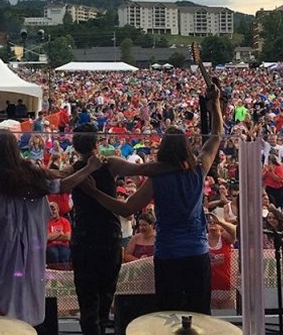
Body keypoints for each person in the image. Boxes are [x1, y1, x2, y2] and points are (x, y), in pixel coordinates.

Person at [79, 91, 223, 314]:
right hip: (197, 252)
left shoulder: (157, 178)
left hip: (168, 254)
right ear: (186, 147)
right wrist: (214, 106)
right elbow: (216, 135)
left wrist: (95, 193)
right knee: (200, 313)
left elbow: (127, 208)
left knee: (169, 315)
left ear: (163, 149)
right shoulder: (198, 170)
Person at [0, 129, 101, 326]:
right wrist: (88, 169)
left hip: (3, 252)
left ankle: (10, 328)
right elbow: (62, 186)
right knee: (30, 293)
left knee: (7, 296)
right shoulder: (29, 177)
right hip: (29, 247)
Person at [64, 123, 122, 335]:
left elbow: (59, 179)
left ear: (76, 146)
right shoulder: (110, 165)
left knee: (87, 299)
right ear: (97, 143)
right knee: (106, 295)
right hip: (108, 236)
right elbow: (140, 169)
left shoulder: (74, 170)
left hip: (85, 238)